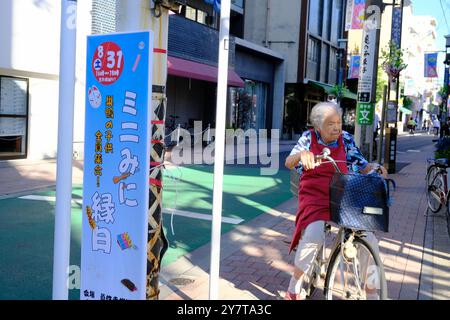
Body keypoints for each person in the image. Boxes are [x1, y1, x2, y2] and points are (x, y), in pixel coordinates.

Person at [284, 102, 387, 300]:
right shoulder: (308, 138)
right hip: (315, 195)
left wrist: (374, 166)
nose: (337, 127)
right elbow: (289, 162)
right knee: (314, 235)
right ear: (318, 126)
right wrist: (301, 155)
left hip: (343, 194)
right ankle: (294, 286)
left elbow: (361, 164)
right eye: (330, 123)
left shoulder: (346, 139)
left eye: (339, 122)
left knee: (371, 241)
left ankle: (373, 292)